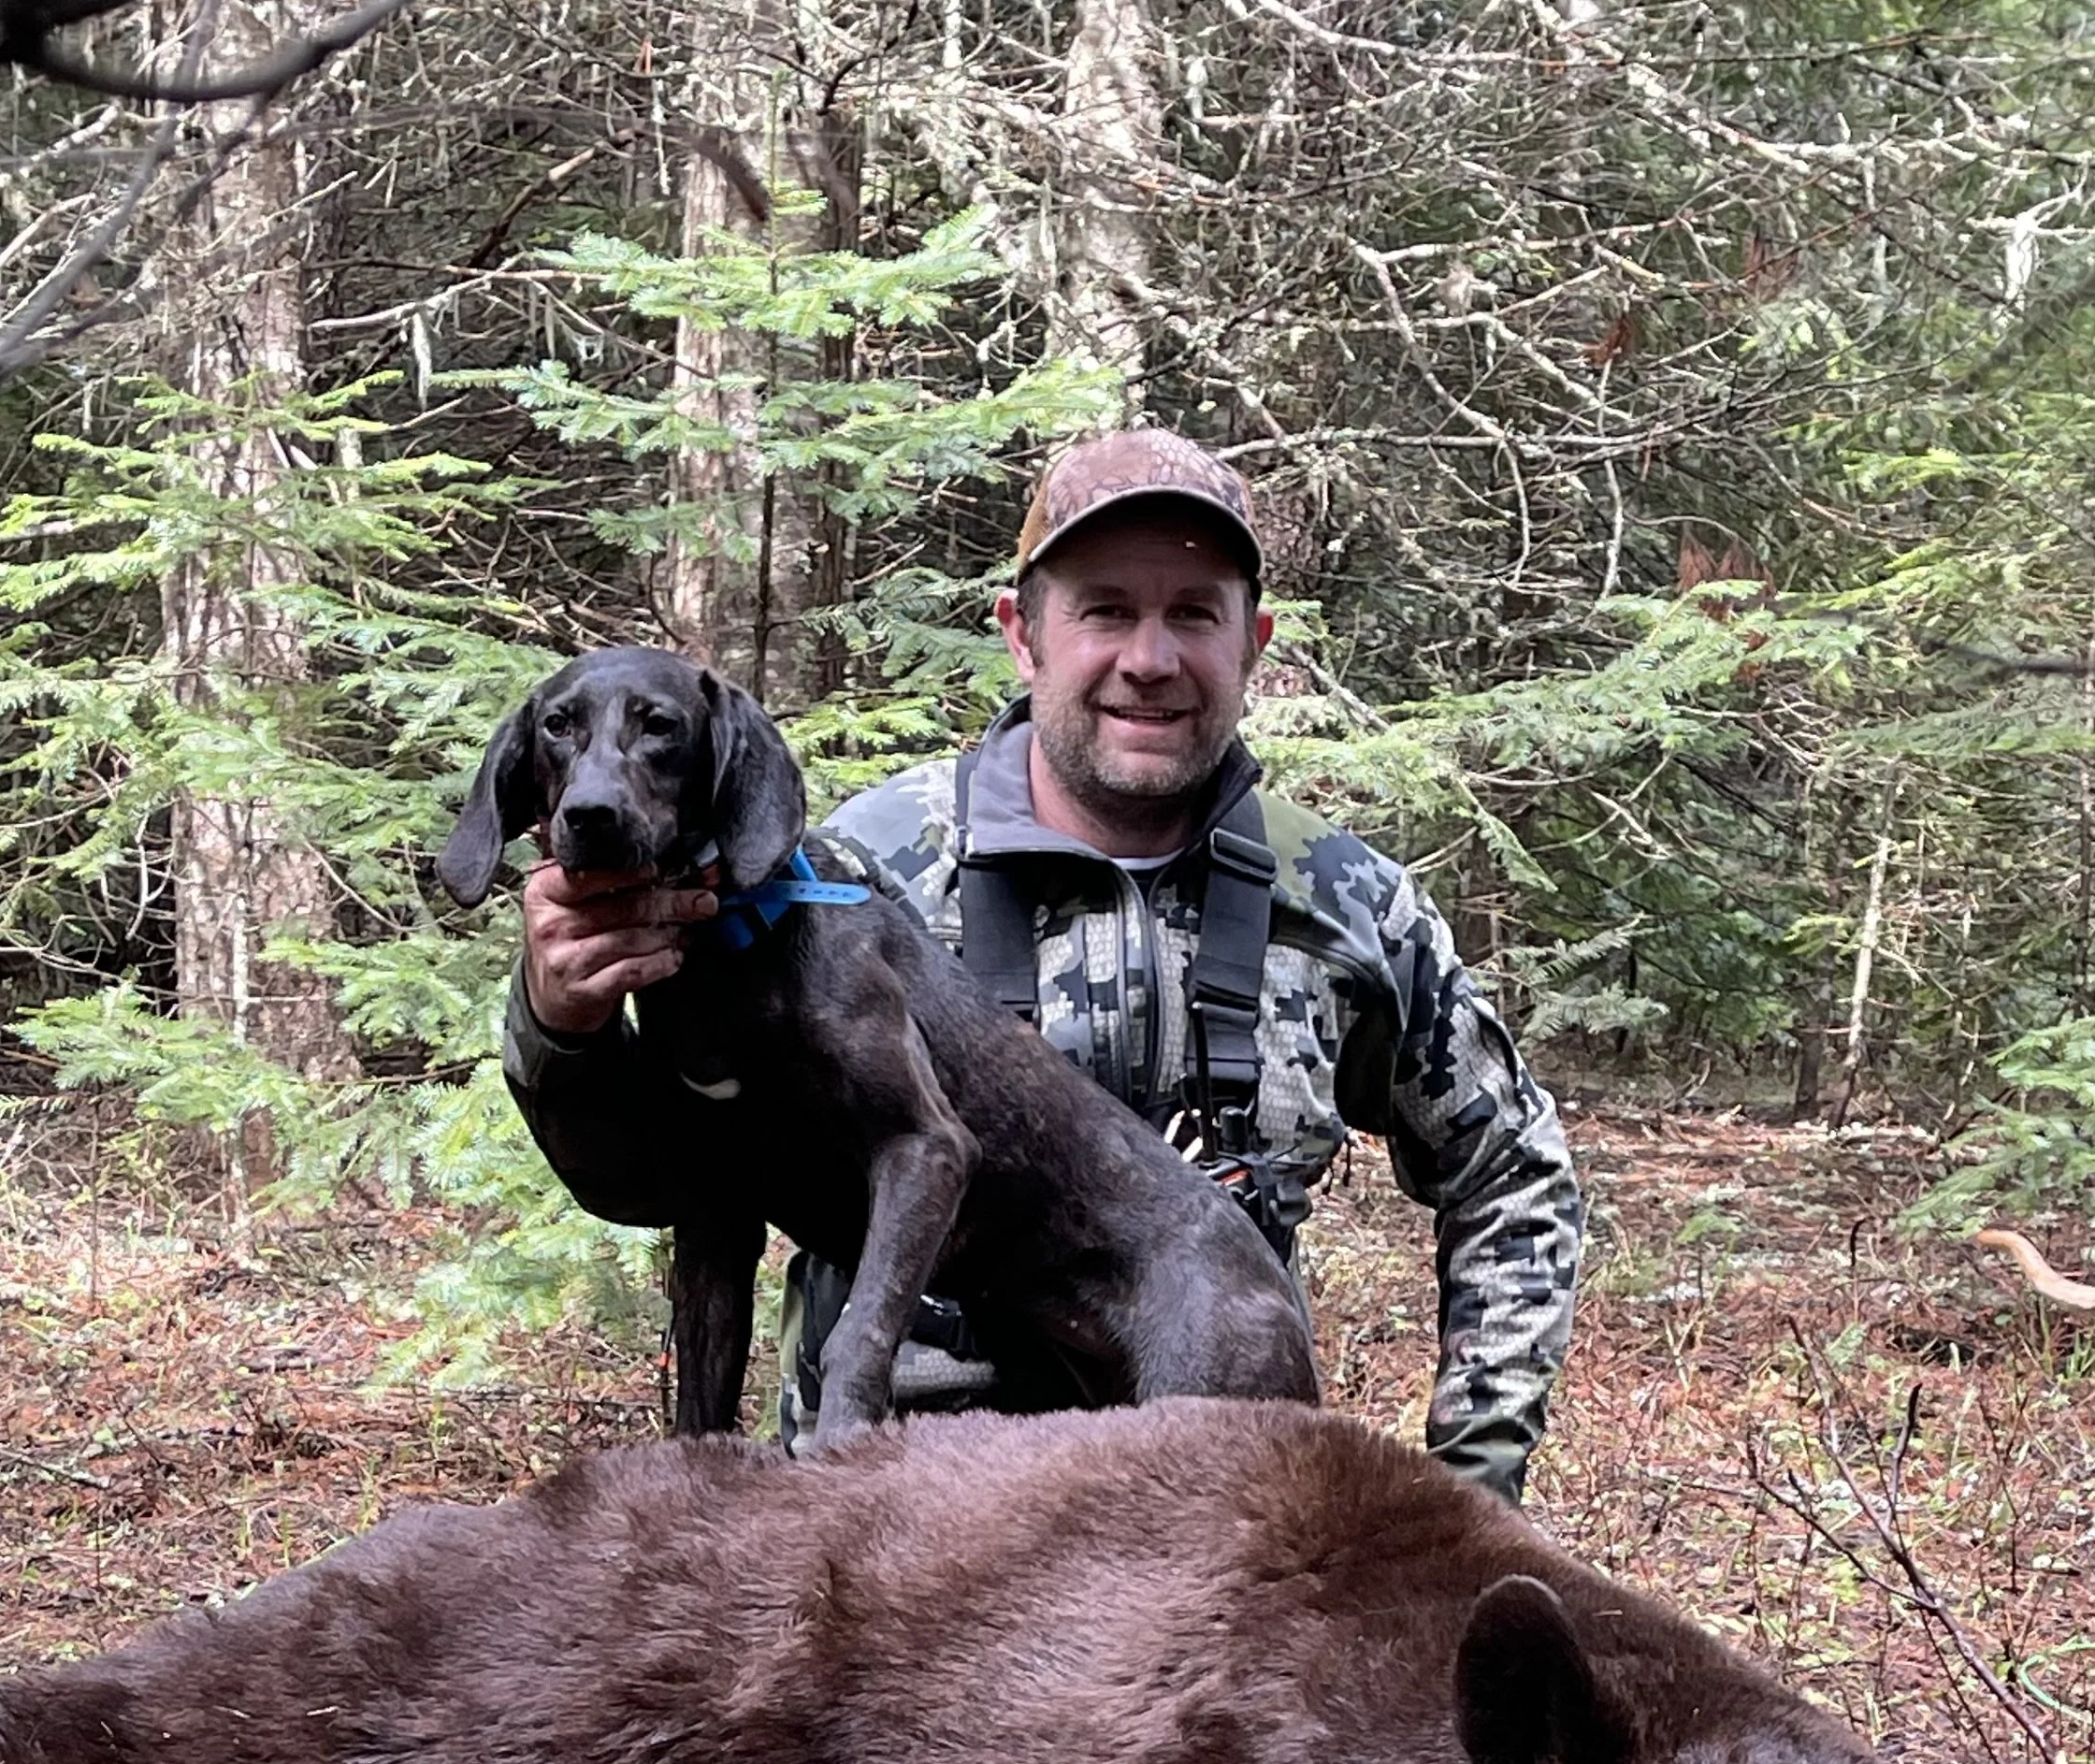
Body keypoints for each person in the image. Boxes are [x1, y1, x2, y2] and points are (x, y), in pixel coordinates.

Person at [501, 428, 1582, 1505]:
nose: (1148, 660)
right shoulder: (836, 874)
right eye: (1104, 610)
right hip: (884, 1503)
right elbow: (661, 1185)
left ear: (1252, 643)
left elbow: (1511, 1169)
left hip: (1193, 1475)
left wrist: (1473, 1485)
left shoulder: (1346, 903)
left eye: (1193, 614)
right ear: (1023, 634)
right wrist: (563, 1031)